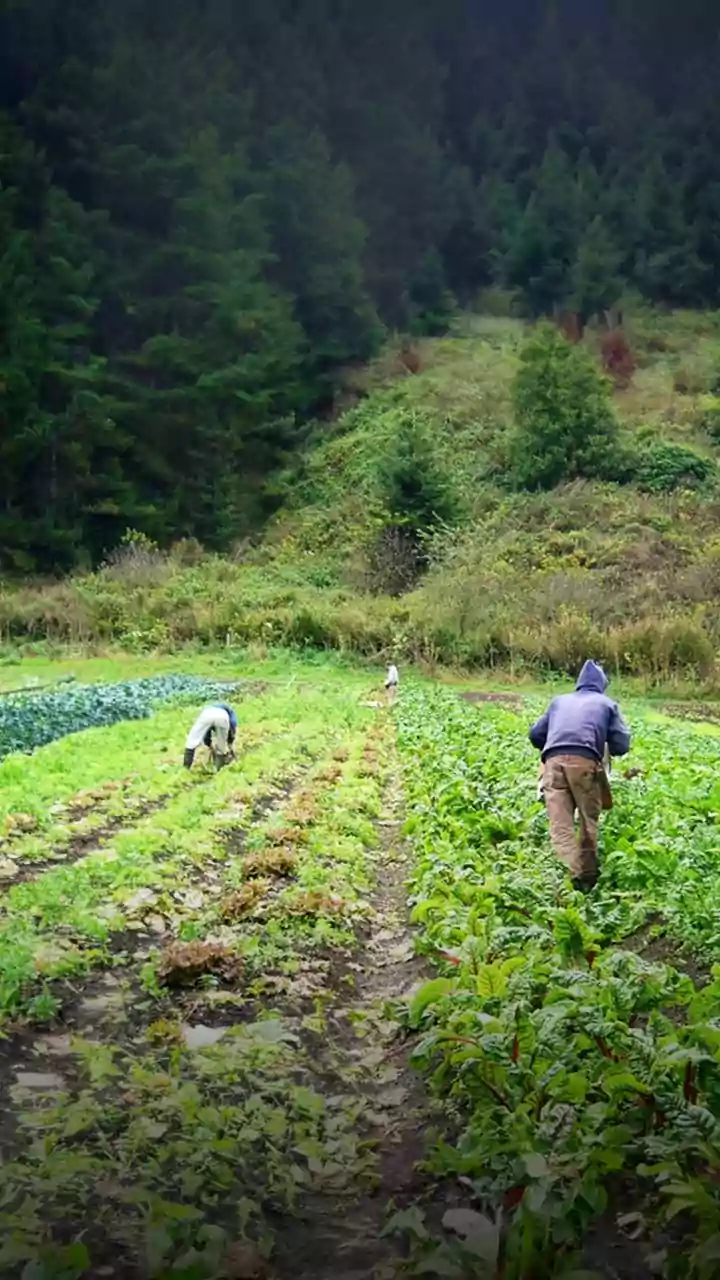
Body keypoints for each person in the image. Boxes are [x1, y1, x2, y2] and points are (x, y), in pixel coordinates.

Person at [529, 660, 630, 892]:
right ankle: (585, 880)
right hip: (584, 763)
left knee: (560, 824)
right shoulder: (607, 704)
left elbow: (535, 735)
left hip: (552, 764)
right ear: (601, 685)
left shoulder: (559, 701)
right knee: (587, 821)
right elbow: (621, 743)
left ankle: (565, 881)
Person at [184, 702, 237, 771]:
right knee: (221, 747)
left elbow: (206, 732)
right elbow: (232, 724)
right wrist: (230, 740)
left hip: (207, 715)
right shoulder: (230, 712)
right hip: (222, 717)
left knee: (192, 741)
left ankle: (186, 768)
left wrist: (208, 744)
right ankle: (219, 769)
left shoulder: (207, 709)